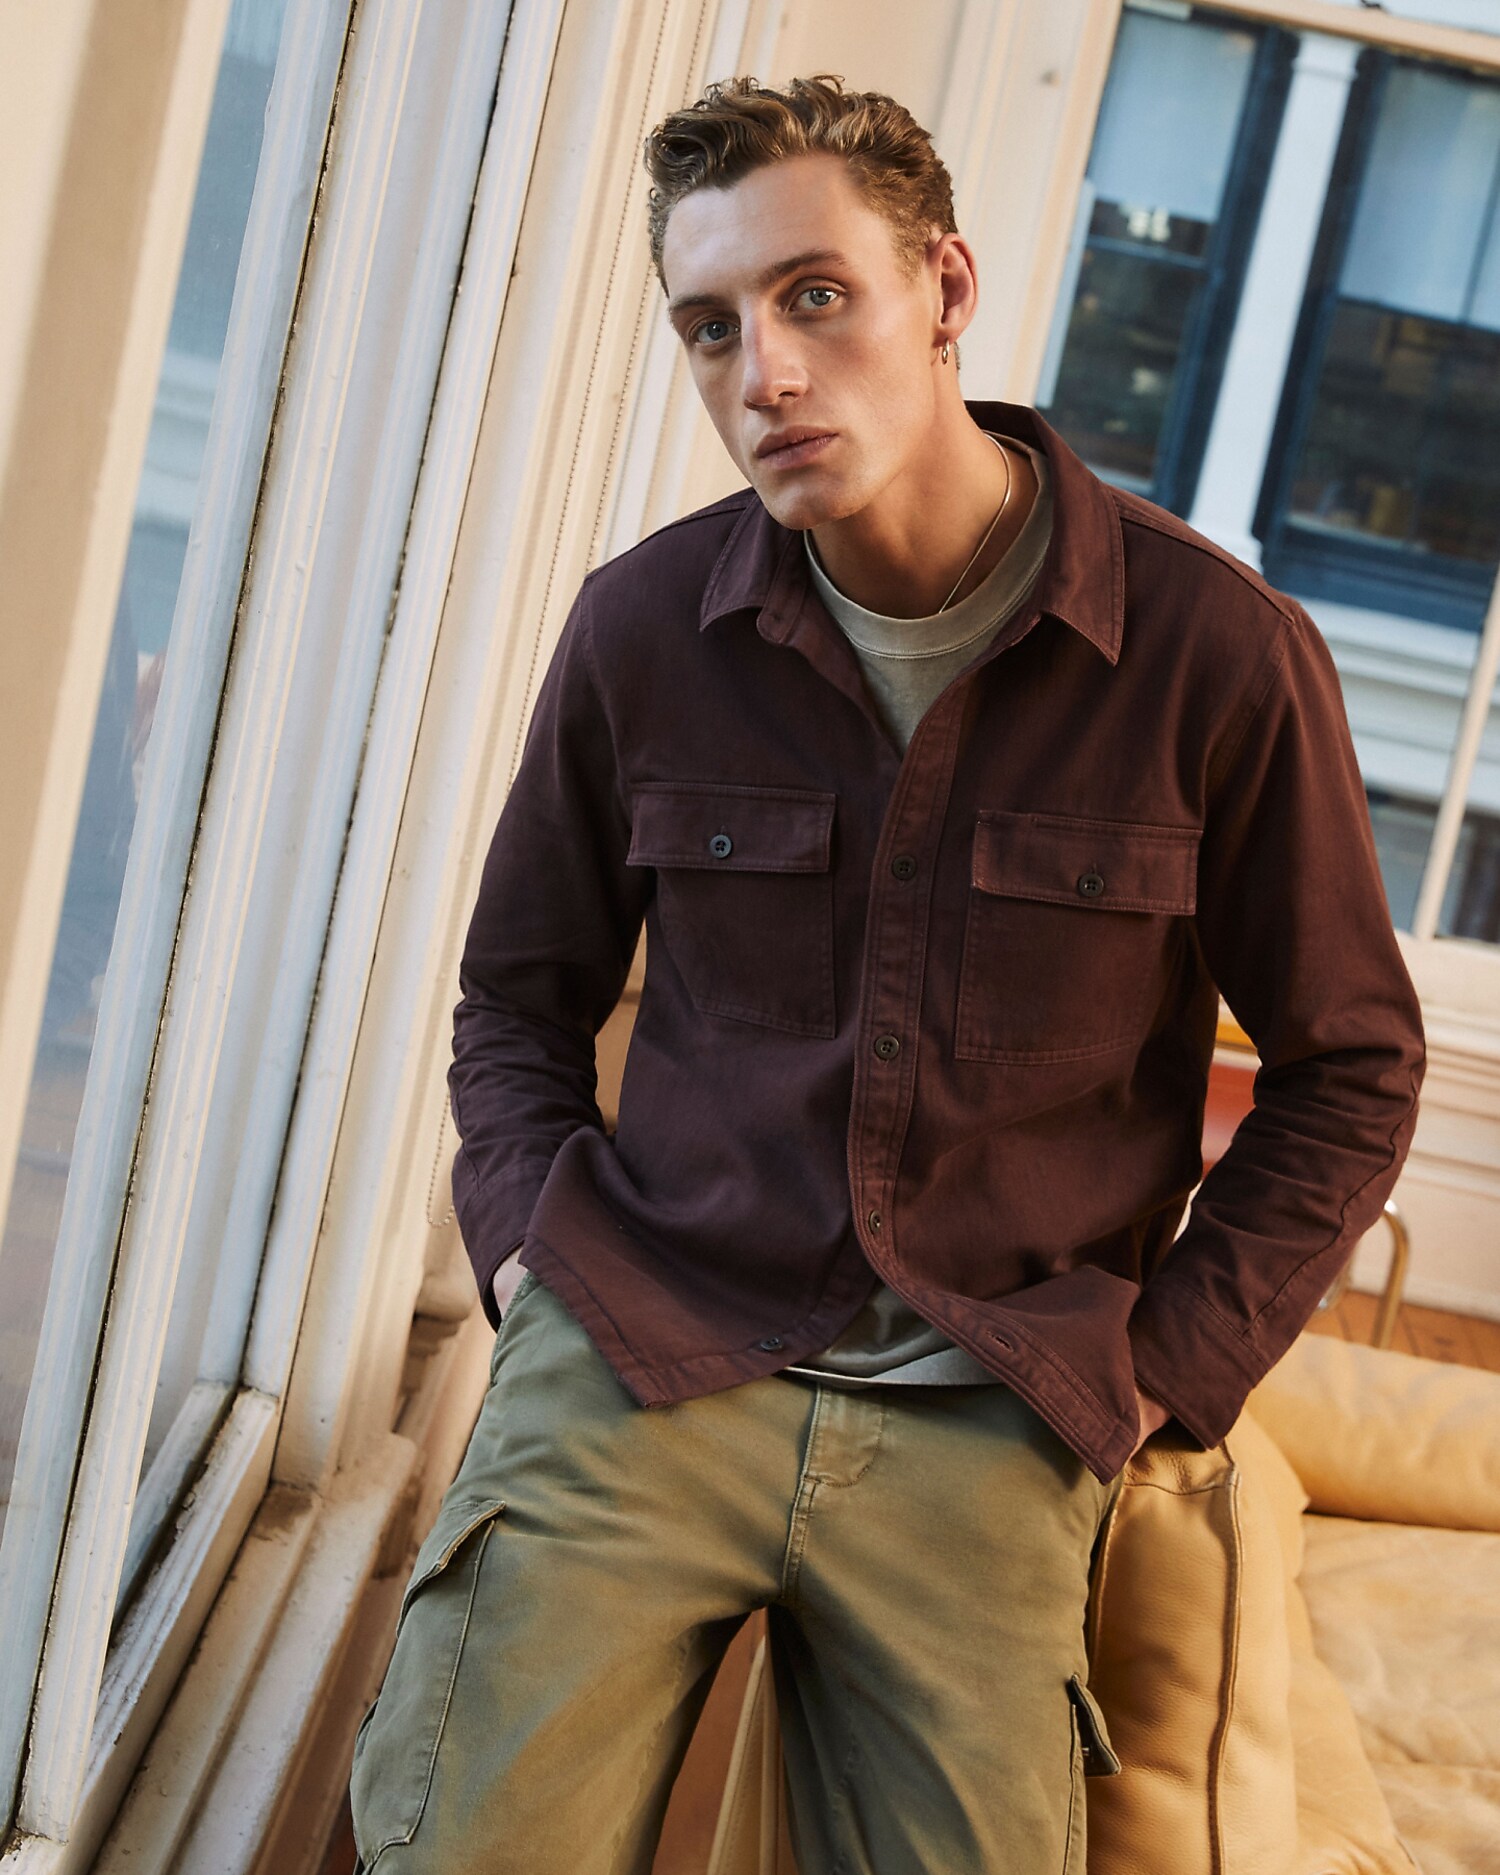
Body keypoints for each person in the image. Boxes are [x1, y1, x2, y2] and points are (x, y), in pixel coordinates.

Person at [348, 72, 1426, 1875]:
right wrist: (536, 1252)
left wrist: (1161, 1368)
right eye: (709, 327)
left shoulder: (1219, 657)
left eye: (813, 295)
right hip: (647, 1349)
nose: (759, 372)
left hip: (991, 1410)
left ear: (946, 288)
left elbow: (1356, 1067)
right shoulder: (641, 630)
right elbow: (516, 1001)